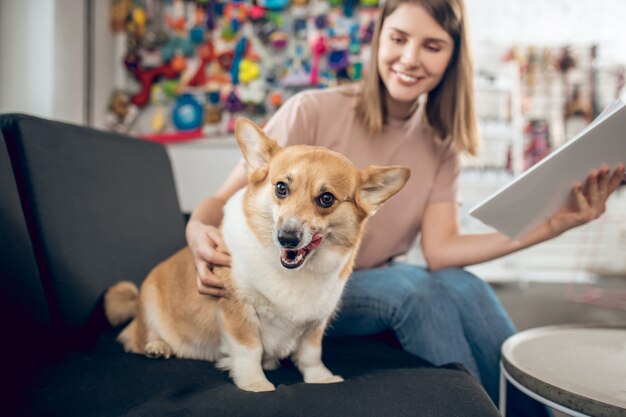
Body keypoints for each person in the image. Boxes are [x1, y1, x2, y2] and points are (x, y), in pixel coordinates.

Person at [185, 0, 625, 414]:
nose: (410, 57)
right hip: (308, 282)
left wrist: (554, 225)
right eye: (398, 38)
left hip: (362, 276)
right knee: (415, 293)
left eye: (432, 46)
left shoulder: (441, 146)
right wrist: (196, 228)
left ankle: (528, 413)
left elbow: (441, 252)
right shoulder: (311, 109)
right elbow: (223, 200)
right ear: (379, 39)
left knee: (465, 285)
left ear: (452, 58)